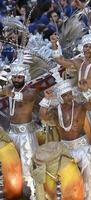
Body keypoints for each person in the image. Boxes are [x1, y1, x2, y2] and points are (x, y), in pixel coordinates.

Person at [50, 30, 91, 172]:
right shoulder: (79, 63)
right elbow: (60, 60)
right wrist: (54, 44)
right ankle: (87, 161)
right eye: (86, 46)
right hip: (79, 100)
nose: (87, 49)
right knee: (83, 130)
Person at [39, 79, 91, 200]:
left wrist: (86, 91)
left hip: (83, 148)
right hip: (65, 151)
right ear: (59, 97)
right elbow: (43, 116)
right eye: (65, 95)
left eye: (70, 94)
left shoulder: (80, 106)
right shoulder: (55, 111)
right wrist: (46, 100)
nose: (69, 97)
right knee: (70, 182)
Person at [0, 52, 39, 199]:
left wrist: (8, 92)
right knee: (13, 166)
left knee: (28, 167)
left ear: (25, 78)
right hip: (12, 133)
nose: (17, 80)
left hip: (26, 136)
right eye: (15, 77)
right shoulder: (9, 88)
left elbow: (23, 99)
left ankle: (33, 194)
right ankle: (16, 192)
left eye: (20, 77)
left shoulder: (31, 91)